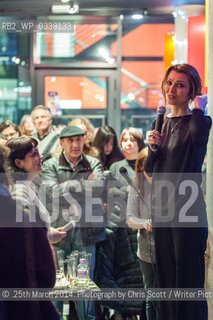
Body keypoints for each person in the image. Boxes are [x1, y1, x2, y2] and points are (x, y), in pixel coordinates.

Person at [145, 63, 212, 320]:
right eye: (169, 82)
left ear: (191, 91)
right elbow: (151, 168)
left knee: (187, 280)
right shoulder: (159, 121)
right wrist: (152, 148)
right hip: (162, 210)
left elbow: (196, 136)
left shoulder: (200, 121)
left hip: (187, 211)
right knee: (165, 279)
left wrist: (198, 108)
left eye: (180, 85)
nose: (171, 89)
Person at [41, 125, 106, 320]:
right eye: (70, 140)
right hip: (60, 231)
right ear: (61, 143)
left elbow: (99, 188)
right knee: (57, 286)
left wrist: (69, 184)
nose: (75, 144)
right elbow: (52, 193)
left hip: (87, 231)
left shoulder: (93, 162)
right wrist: (84, 184)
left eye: (79, 140)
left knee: (84, 287)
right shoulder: (50, 165)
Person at [0, 144, 60, 320]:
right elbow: (46, 274)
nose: (40, 157)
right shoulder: (18, 206)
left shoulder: (30, 188)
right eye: (34, 154)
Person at [95, 127, 145, 319]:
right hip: (120, 226)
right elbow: (109, 194)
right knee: (122, 269)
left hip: (140, 225)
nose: (128, 144)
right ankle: (123, 310)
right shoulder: (116, 166)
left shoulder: (147, 164)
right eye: (125, 140)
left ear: (139, 142)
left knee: (139, 272)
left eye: (132, 140)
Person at [6, 136, 67, 244]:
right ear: (19, 163)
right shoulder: (19, 191)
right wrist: (49, 235)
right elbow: (22, 233)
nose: (41, 156)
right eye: (34, 154)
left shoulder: (30, 185)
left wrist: (49, 231)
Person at [126, 147, 156, 320]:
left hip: (167, 249)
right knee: (151, 295)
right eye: (146, 172)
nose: (150, 177)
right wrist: (144, 223)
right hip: (146, 250)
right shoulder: (136, 188)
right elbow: (130, 219)